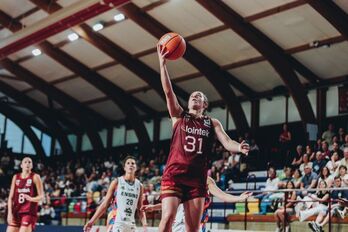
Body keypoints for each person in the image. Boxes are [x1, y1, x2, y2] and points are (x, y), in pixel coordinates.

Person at [157, 44, 250, 232]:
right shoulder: (179, 116)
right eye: (192, 96)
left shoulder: (212, 122)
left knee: (193, 229)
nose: (194, 97)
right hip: (175, 174)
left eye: (199, 96)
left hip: (197, 179)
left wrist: (239, 147)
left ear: (204, 104)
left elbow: (226, 141)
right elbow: (168, 92)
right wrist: (163, 65)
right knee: (167, 218)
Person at [141, 176, 252, 232]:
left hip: (196, 225)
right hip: (177, 224)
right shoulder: (179, 177)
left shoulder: (206, 180)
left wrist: (238, 198)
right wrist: (153, 207)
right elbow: (173, 203)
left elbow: (222, 195)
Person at [84, 156, 147, 232]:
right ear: (124, 168)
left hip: (130, 223)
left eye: (133, 163)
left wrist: (145, 225)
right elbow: (105, 204)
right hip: (116, 220)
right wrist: (91, 221)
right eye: (128, 163)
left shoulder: (139, 186)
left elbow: (140, 208)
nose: (131, 165)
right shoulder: (117, 182)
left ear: (136, 167)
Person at [7, 157, 44, 232]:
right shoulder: (15, 177)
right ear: (21, 165)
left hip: (28, 212)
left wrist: (31, 199)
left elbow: (41, 196)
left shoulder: (35, 177)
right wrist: (9, 213)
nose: (27, 163)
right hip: (16, 211)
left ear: (32, 166)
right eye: (25, 162)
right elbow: (10, 197)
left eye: (30, 162)